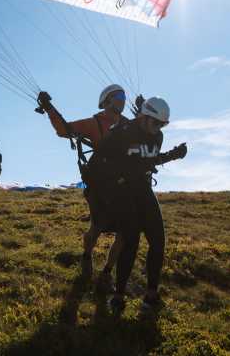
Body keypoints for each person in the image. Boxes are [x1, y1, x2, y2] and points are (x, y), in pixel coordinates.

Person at [87, 96, 187, 314]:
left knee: (158, 239)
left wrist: (173, 155)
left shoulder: (157, 137)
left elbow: (148, 160)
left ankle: (151, 295)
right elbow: (96, 165)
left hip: (142, 188)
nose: (158, 128)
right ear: (143, 117)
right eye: (156, 123)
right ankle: (118, 296)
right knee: (131, 238)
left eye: (163, 124)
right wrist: (114, 183)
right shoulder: (120, 134)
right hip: (121, 191)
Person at [37, 84, 140, 286]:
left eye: (124, 96)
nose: (123, 99)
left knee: (124, 233)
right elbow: (63, 130)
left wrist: (145, 109)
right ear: (108, 100)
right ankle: (86, 256)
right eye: (119, 95)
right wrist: (49, 108)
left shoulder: (129, 125)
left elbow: (147, 134)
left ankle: (107, 272)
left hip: (124, 185)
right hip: (101, 183)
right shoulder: (95, 123)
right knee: (97, 227)